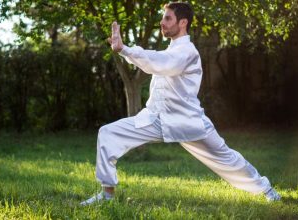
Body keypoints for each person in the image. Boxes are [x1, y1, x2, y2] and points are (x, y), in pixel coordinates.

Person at [80, 2, 281, 206]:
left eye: (168, 18)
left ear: (183, 22)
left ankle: (266, 189)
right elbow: (155, 62)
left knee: (226, 157)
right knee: (108, 133)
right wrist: (124, 51)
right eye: (163, 18)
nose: (162, 23)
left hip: (188, 122)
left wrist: (124, 49)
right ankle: (107, 195)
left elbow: (160, 62)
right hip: (156, 119)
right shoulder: (172, 50)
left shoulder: (187, 52)